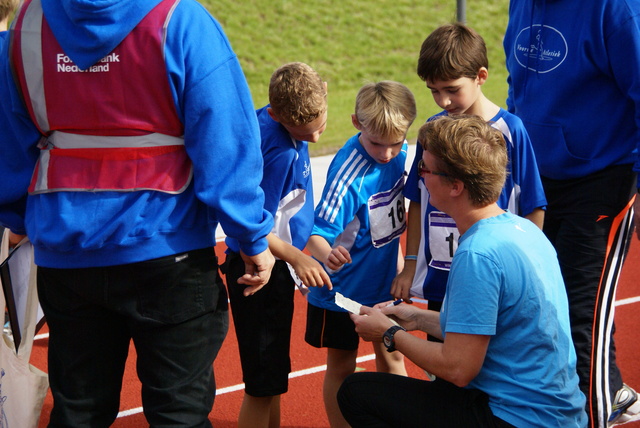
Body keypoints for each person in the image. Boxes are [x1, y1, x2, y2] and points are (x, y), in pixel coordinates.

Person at [0, 0, 275, 427]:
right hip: (170, 251)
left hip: (67, 256)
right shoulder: (181, 21)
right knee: (179, 416)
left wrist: (19, 218)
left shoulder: (28, 24)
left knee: (78, 414)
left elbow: (9, 140)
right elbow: (224, 135)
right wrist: (250, 236)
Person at [338, 115, 588, 428]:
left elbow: (458, 368)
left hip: (514, 418)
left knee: (356, 392)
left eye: (425, 169)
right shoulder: (523, 229)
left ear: (456, 186)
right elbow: (489, 329)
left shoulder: (477, 254)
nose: (420, 178)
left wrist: (389, 333)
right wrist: (415, 317)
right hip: (557, 414)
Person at [503, 2, 640, 426]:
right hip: (537, 178)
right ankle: (610, 389)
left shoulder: (617, 9)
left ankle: (594, 413)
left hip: (602, 180)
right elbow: (519, 83)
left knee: (580, 312)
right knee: (546, 303)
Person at [392, 23, 547, 327]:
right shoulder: (433, 131)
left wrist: (528, 267)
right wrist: (410, 265)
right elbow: (417, 199)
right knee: (440, 364)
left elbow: (533, 205)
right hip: (441, 278)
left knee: (481, 363)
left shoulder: (511, 131)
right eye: (434, 91)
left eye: (452, 90)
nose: (443, 102)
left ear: (481, 77)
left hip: (493, 277)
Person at [224, 62, 332, 428]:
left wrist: (314, 247)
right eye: (306, 132)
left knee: (271, 379)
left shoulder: (273, 124)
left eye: (320, 126)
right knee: (261, 384)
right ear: (275, 114)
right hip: (259, 270)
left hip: (276, 265)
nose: (316, 140)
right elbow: (251, 224)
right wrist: (298, 259)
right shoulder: (279, 151)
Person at [304, 80, 417, 428]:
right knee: (342, 366)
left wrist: (403, 265)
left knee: (394, 357)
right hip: (342, 295)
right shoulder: (349, 176)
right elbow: (315, 235)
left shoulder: (400, 152)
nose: (386, 153)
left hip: (385, 285)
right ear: (357, 123)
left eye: (395, 144)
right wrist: (329, 253)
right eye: (377, 144)